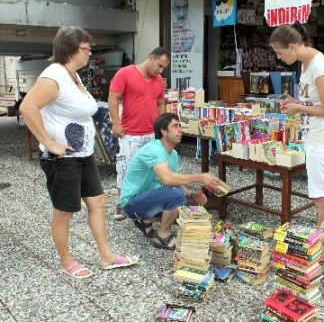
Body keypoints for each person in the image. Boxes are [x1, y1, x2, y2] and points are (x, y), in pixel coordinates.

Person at [20, 26, 138, 279]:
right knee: (65, 211)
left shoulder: (73, 75)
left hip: (83, 155)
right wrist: (50, 143)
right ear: (72, 49)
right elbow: (28, 107)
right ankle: (66, 260)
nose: (90, 52)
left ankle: (106, 255)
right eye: (86, 48)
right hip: (62, 159)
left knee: (97, 201)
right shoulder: (54, 75)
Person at [269, 23, 324, 227]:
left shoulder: (319, 67)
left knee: (321, 199)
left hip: (323, 139)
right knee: (323, 196)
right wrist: (297, 102)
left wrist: (298, 108)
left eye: (279, 52)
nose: (278, 57)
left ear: (292, 46)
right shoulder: (306, 63)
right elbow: (316, 102)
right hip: (315, 138)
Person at [119, 113, 221, 250]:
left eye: (180, 126)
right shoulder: (154, 149)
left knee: (188, 206)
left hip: (149, 198)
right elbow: (167, 179)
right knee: (176, 195)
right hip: (131, 203)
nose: (180, 130)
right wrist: (200, 177)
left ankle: (145, 221)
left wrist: (192, 194)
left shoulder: (172, 154)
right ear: (163, 131)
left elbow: (174, 182)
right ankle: (163, 236)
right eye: (175, 126)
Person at [108, 47, 170, 221]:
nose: (160, 70)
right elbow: (113, 98)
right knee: (125, 169)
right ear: (150, 58)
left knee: (152, 171)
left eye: (163, 67)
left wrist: (162, 128)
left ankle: (148, 204)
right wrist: (116, 123)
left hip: (151, 133)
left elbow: (160, 103)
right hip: (130, 133)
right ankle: (121, 204)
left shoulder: (158, 80)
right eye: (159, 65)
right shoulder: (125, 73)